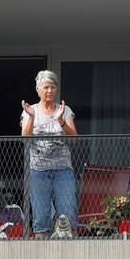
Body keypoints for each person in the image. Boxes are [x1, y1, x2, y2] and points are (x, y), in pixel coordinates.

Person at [21, 70, 79, 237]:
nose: (49, 91)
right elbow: (25, 138)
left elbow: (74, 139)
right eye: (46, 87)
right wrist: (31, 118)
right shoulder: (30, 110)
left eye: (53, 87)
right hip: (38, 171)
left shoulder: (64, 109)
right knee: (41, 218)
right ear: (38, 89)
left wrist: (60, 120)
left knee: (68, 214)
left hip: (63, 169)